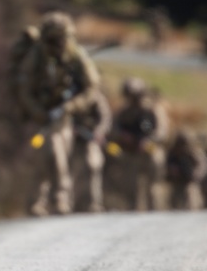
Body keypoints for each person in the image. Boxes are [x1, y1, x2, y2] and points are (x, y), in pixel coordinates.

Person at [15, 12, 101, 216]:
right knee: (45, 157)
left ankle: (58, 199)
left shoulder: (75, 55)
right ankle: (39, 201)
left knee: (58, 157)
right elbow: (24, 89)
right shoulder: (36, 56)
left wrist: (72, 106)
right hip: (40, 118)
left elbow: (92, 87)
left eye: (63, 38)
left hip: (64, 117)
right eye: (55, 39)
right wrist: (37, 112)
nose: (60, 43)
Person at [109, 77, 169, 210]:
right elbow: (114, 129)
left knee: (153, 187)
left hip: (150, 149)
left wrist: (149, 141)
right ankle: (132, 213)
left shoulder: (153, 109)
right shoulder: (124, 111)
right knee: (130, 186)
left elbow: (162, 131)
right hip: (132, 152)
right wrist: (123, 136)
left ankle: (155, 213)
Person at [70, 89, 112, 213]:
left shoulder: (96, 97)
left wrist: (99, 133)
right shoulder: (70, 94)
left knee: (94, 166)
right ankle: (68, 203)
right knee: (69, 170)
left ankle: (94, 204)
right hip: (72, 140)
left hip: (91, 139)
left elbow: (105, 118)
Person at [164, 128, 207, 210]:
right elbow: (164, 168)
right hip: (177, 185)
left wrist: (195, 174)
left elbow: (203, 166)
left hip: (190, 185)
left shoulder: (194, 153)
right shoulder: (172, 153)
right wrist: (171, 171)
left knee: (191, 206)